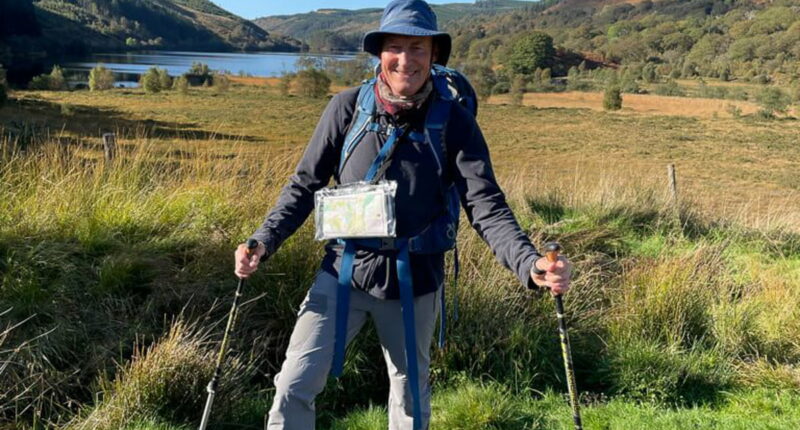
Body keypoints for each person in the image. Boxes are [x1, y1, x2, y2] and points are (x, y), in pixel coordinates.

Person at [234, 0, 572, 428]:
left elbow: (486, 205)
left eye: (418, 47)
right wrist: (262, 241)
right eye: (395, 46)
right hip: (343, 272)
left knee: (410, 402)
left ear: (433, 56)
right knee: (293, 386)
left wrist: (530, 264)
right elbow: (304, 186)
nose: (406, 59)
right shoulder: (346, 108)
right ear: (380, 53)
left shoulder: (455, 123)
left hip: (417, 281)